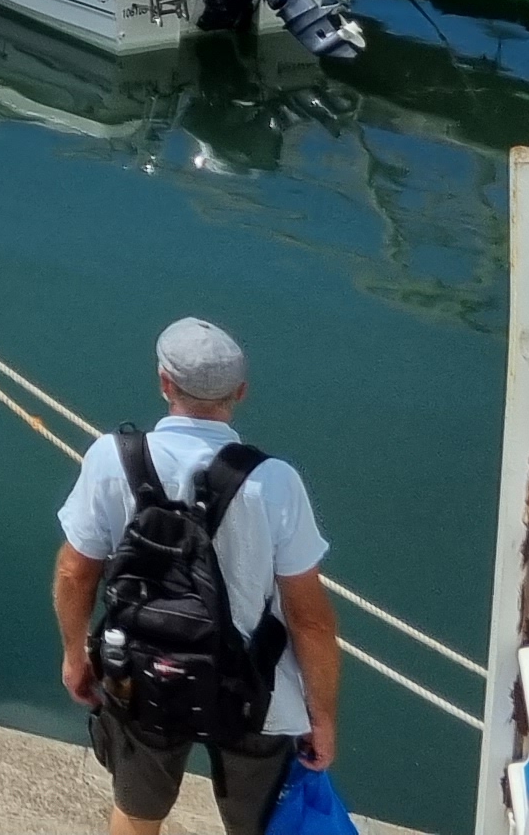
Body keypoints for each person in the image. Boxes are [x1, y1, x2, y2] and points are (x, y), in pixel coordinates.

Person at [53, 316, 341, 835]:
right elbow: (310, 619)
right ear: (241, 392)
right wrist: (321, 718)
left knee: (137, 814)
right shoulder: (274, 481)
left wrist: (77, 655)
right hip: (253, 685)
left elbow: (76, 572)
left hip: (139, 672)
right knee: (258, 824)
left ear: (165, 382)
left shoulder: (110, 457)